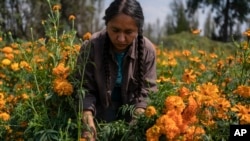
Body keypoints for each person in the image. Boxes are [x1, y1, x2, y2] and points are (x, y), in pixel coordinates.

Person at [74, 0, 157, 140]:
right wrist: (87, 123)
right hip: (100, 110)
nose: (121, 38)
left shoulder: (147, 50)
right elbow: (84, 89)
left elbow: (146, 93)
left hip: (133, 111)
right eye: (115, 30)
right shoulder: (92, 46)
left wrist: (135, 127)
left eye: (129, 32)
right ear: (107, 25)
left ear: (138, 30)